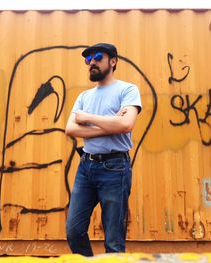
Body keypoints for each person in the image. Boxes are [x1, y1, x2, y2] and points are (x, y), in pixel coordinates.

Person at [65, 43, 142, 256]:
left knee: (114, 240)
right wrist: (110, 125)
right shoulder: (84, 97)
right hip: (86, 167)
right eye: (88, 60)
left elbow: (126, 125)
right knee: (74, 230)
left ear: (113, 61)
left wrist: (87, 118)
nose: (92, 62)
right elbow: (70, 128)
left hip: (115, 168)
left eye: (98, 57)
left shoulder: (127, 90)